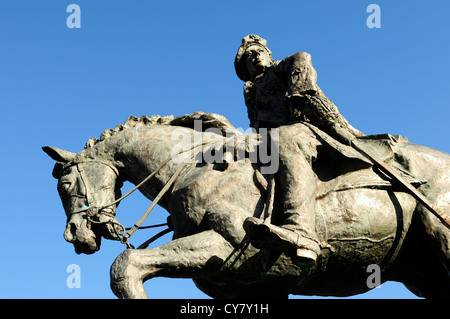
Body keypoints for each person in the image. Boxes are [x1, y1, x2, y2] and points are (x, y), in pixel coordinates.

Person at [235, 34, 364, 264]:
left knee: (284, 139)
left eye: (258, 52)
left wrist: (297, 93)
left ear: (268, 55)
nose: (254, 56)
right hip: (267, 139)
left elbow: (302, 57)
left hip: (301, 130)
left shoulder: (278, 70)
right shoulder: (251, 91)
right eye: (248, 57)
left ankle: (301, 231)